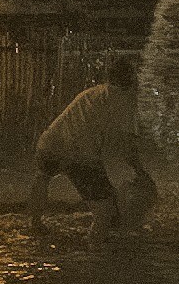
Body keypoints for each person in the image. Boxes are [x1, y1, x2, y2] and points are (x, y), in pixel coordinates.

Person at [27, 56, 150, 238]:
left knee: (43, 178)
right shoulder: (125, 100)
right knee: (104, 213)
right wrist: (141, 173)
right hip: (80, 157)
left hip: (50, 144)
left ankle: (34, 224)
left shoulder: (92, 92)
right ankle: (95, 253)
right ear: (132, 79)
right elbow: (127, 145)